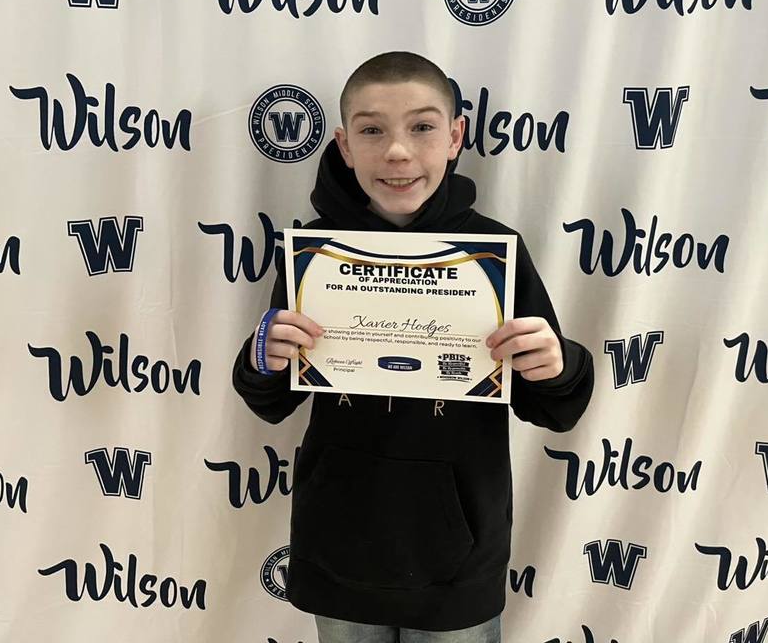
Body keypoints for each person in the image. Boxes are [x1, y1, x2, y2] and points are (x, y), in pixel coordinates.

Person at [233, 51, 595, 643]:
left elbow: (554, 407)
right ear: (345, 147)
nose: (397, 151)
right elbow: (270, 399)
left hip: (458, 556)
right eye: (372, 131)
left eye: (422, 127)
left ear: (455, 137)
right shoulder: (316, 256)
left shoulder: (493, 250)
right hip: (340, 545)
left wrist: (559, 366)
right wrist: (264, 356)